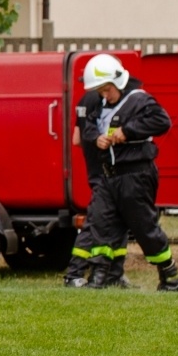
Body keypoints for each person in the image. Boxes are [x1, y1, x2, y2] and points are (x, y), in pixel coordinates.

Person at [79, 53, 178, 291]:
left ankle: (170, 277)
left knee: (143, 226)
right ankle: (99, 277)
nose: (104, 96)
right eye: (100, 91)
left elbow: (162, 121)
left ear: (117, 83)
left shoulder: (140, 100)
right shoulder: (101, 104)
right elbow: (88, 130)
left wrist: (128, 131)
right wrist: (96, 139)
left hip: (136, 174)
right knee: (102, 221)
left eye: (107, 90)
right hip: (109, 175)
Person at [63, 89, 130, 288]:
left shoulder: (86, 98)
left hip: (97, 171)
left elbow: (76, 139)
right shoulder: (105, 98)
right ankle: (74, 273)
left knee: (114, 221)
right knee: (96, 222)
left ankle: (114, 275)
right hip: (107, 172)